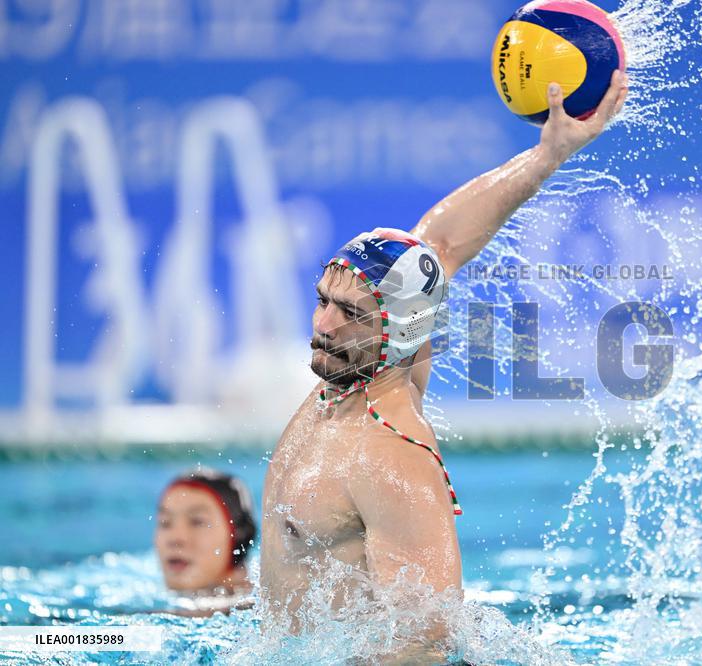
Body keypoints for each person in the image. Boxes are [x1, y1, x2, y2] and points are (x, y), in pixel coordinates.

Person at [260, 74, 628, 653]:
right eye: (323, 300)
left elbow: (424, 643)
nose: (324, 325)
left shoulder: (391, 461)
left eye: (350, 313)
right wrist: (545, 157)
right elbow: (441, 246)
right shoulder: (348, 385)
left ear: (400, 332)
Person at [155, 468, 257, 606]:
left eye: (197, 522)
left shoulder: (260, 610)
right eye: (165, 522)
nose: (175, 539)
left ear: (240, 536)